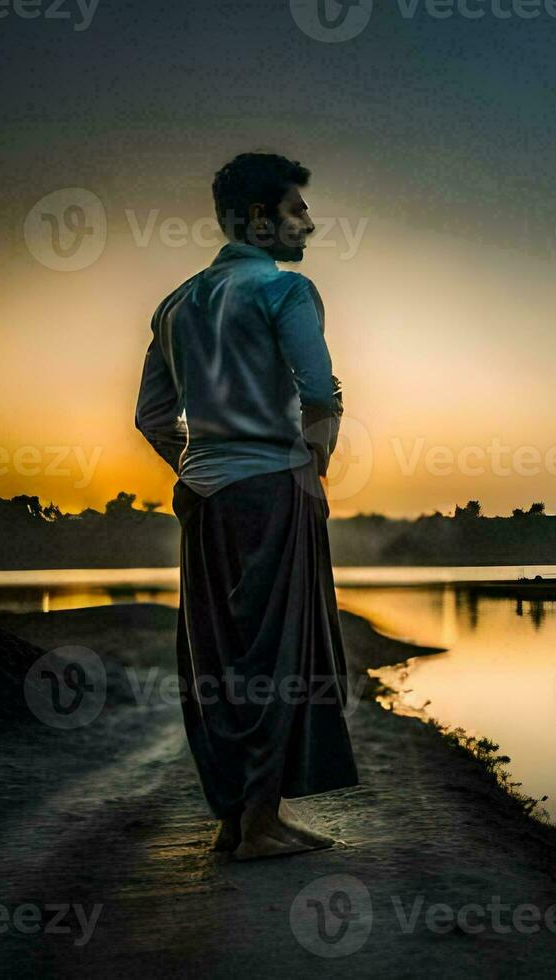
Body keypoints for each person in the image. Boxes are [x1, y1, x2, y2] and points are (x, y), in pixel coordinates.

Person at [135, 152, 358, 861]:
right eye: (296, 211)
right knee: (279, 654)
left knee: (219, 660)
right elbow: (320, 393)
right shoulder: (284, 291)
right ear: (258, 220)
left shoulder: (175, 303)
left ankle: (238, 820)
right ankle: (261, 826)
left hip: (201, 498)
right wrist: (310, 472)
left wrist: (201, 465)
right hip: (272, 489)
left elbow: (151, 417)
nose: (309, 224)